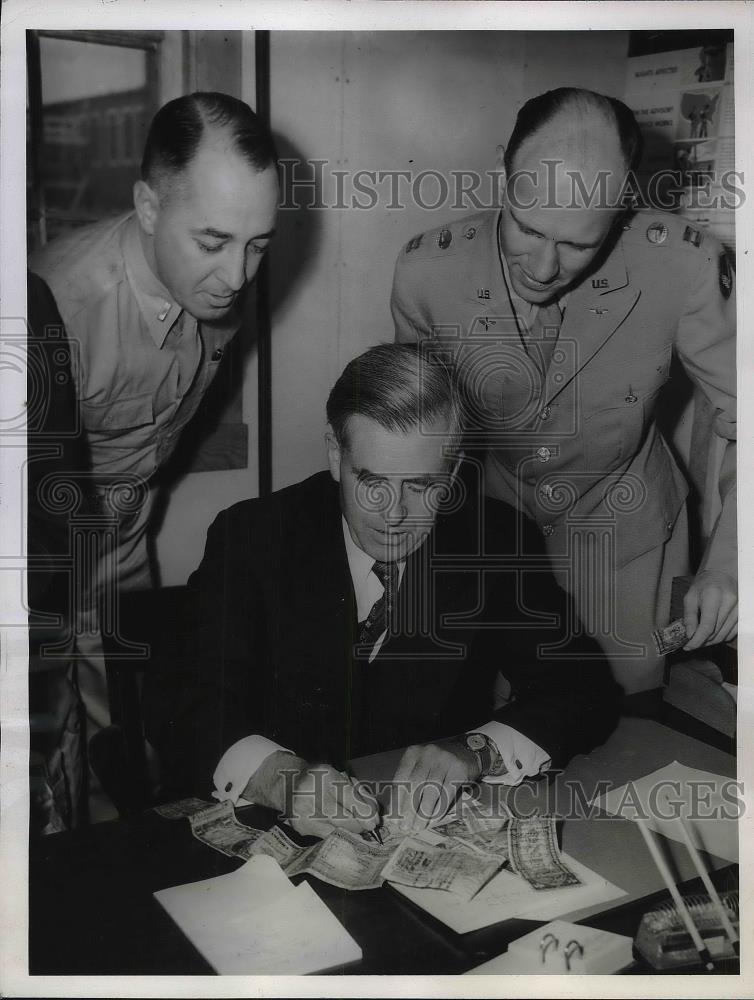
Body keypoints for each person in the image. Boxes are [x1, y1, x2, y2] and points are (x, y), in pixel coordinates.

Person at [158, 344, 620, 836]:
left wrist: (475, 751)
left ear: (454, 468)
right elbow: (180, 699)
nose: (394, 514)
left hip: (423, 837)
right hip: (268, 834)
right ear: (336, 454)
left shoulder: (496, 541)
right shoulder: (253, 537)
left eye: (421, 485)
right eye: (371, 480)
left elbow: (582, 688)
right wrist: (280, 779)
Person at [391, 88, 736, 696]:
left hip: (625, 538)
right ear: (504, 170)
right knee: (503, 729)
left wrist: (734, 562)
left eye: (578, 243)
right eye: (526, 228)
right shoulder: (428, 274)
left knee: (629, 730)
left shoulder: (684, 268)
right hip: (496, 537)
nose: (543, 268)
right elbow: (415, 434)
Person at [28, 92, 279, 742]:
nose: (236, 276)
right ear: (147, 206)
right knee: (50, 754)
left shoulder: (219, 281)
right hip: (40, 555)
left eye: (257, 245)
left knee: (133, 734)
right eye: (214, 241)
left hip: (127, 531)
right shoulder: (53, 310)